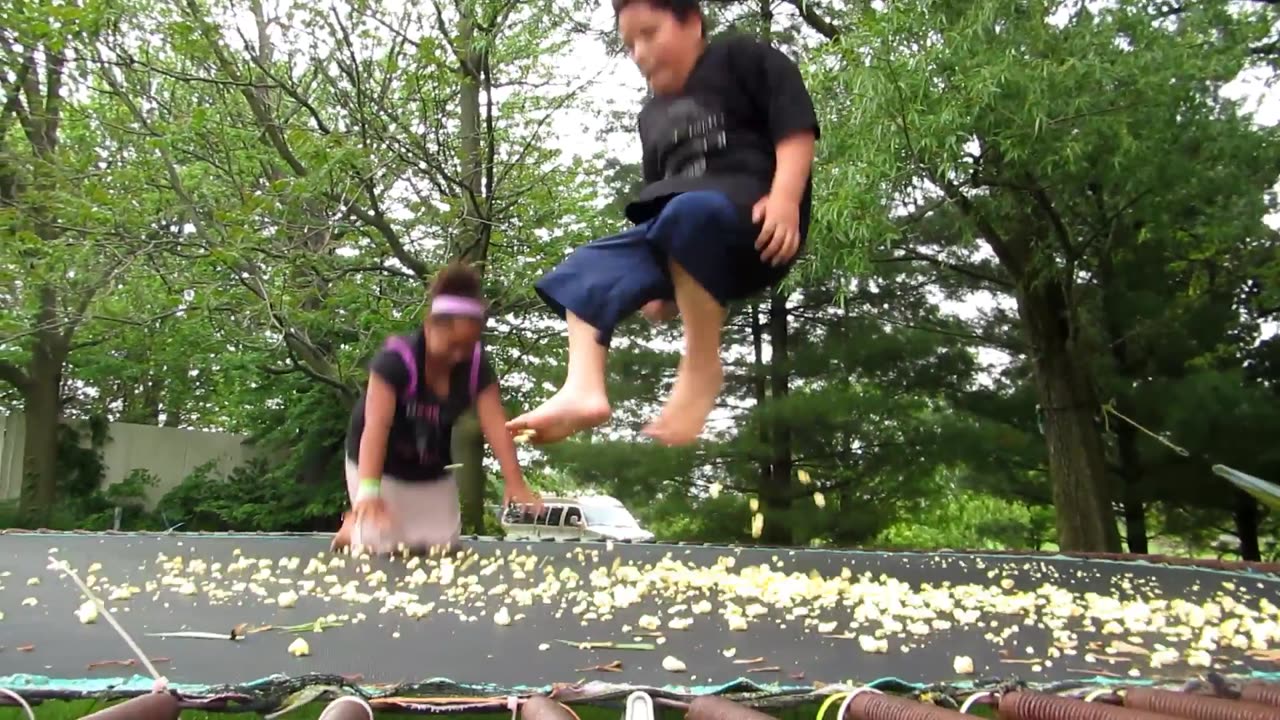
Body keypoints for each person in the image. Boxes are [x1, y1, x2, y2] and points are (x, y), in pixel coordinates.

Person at [505, 0, 820, 447]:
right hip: (679, 227)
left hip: (754, 224)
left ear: (691, 22)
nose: (639, 52)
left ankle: (702, 363)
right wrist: (660, 286)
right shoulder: (651, 116)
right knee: (584, 269)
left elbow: (795, 127)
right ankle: (582, 389)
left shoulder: (743, 59)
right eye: (629, 44)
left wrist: (786, 198)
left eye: (649, 34)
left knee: (689, 213)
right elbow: (657, 192)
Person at [333, 262, 542, 554]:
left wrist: (515, 481)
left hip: (429, 461)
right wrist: (369, 491)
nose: (459, 356)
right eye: (453, 344)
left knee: (440, 548)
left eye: (467, 347)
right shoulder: (395, 360)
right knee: (380, 549)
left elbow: (495, 425)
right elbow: (376, 428)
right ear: (431, 326)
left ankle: (365, 520)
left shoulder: (476, 366)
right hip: (377, 461)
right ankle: (354, 520)